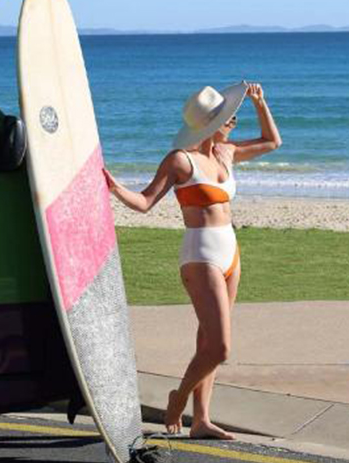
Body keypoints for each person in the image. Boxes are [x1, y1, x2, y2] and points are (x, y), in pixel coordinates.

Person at [103, 81, 281, 439]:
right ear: (210, 124)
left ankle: (201, 420)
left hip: (230, 249)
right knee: (220, 347)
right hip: (201, 256)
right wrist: (113, 187)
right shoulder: (180, 160)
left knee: (207, 343)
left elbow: (272, 142)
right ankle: (178, 398)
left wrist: (261, 104)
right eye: (228, 117)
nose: (233, 122)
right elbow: (145, 202)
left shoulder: (226, 154)